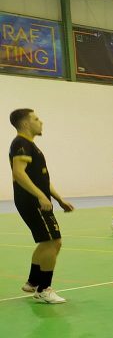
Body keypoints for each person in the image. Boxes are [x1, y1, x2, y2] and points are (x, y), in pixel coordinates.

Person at [9, 108, 74, 304]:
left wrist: (58, 198)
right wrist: (40, 196)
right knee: (52, 242)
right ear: (26, 123)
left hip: (37, 199)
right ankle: (44, 289)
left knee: (50, 242)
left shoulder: (30, 146)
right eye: (36, 119)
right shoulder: (21, 143)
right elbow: (18, 173)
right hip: (31, 200)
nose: (41, 122)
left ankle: (33, 281)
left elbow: (41, 179)